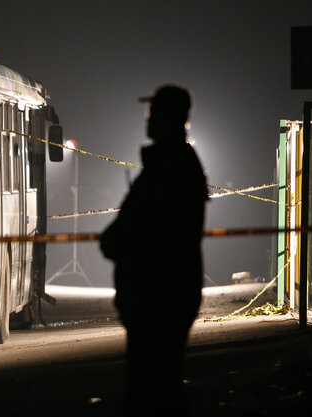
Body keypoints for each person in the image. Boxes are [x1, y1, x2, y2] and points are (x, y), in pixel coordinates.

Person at [100, 84, 208, 417]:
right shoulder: (176, 162)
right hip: (165, 294)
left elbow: (137, 230)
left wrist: (116, 242)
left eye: (153, 112)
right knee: (163, 386)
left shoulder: (168, 166)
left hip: (157, 296)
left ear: (168, 117)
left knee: (151, 392)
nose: (147, 119)